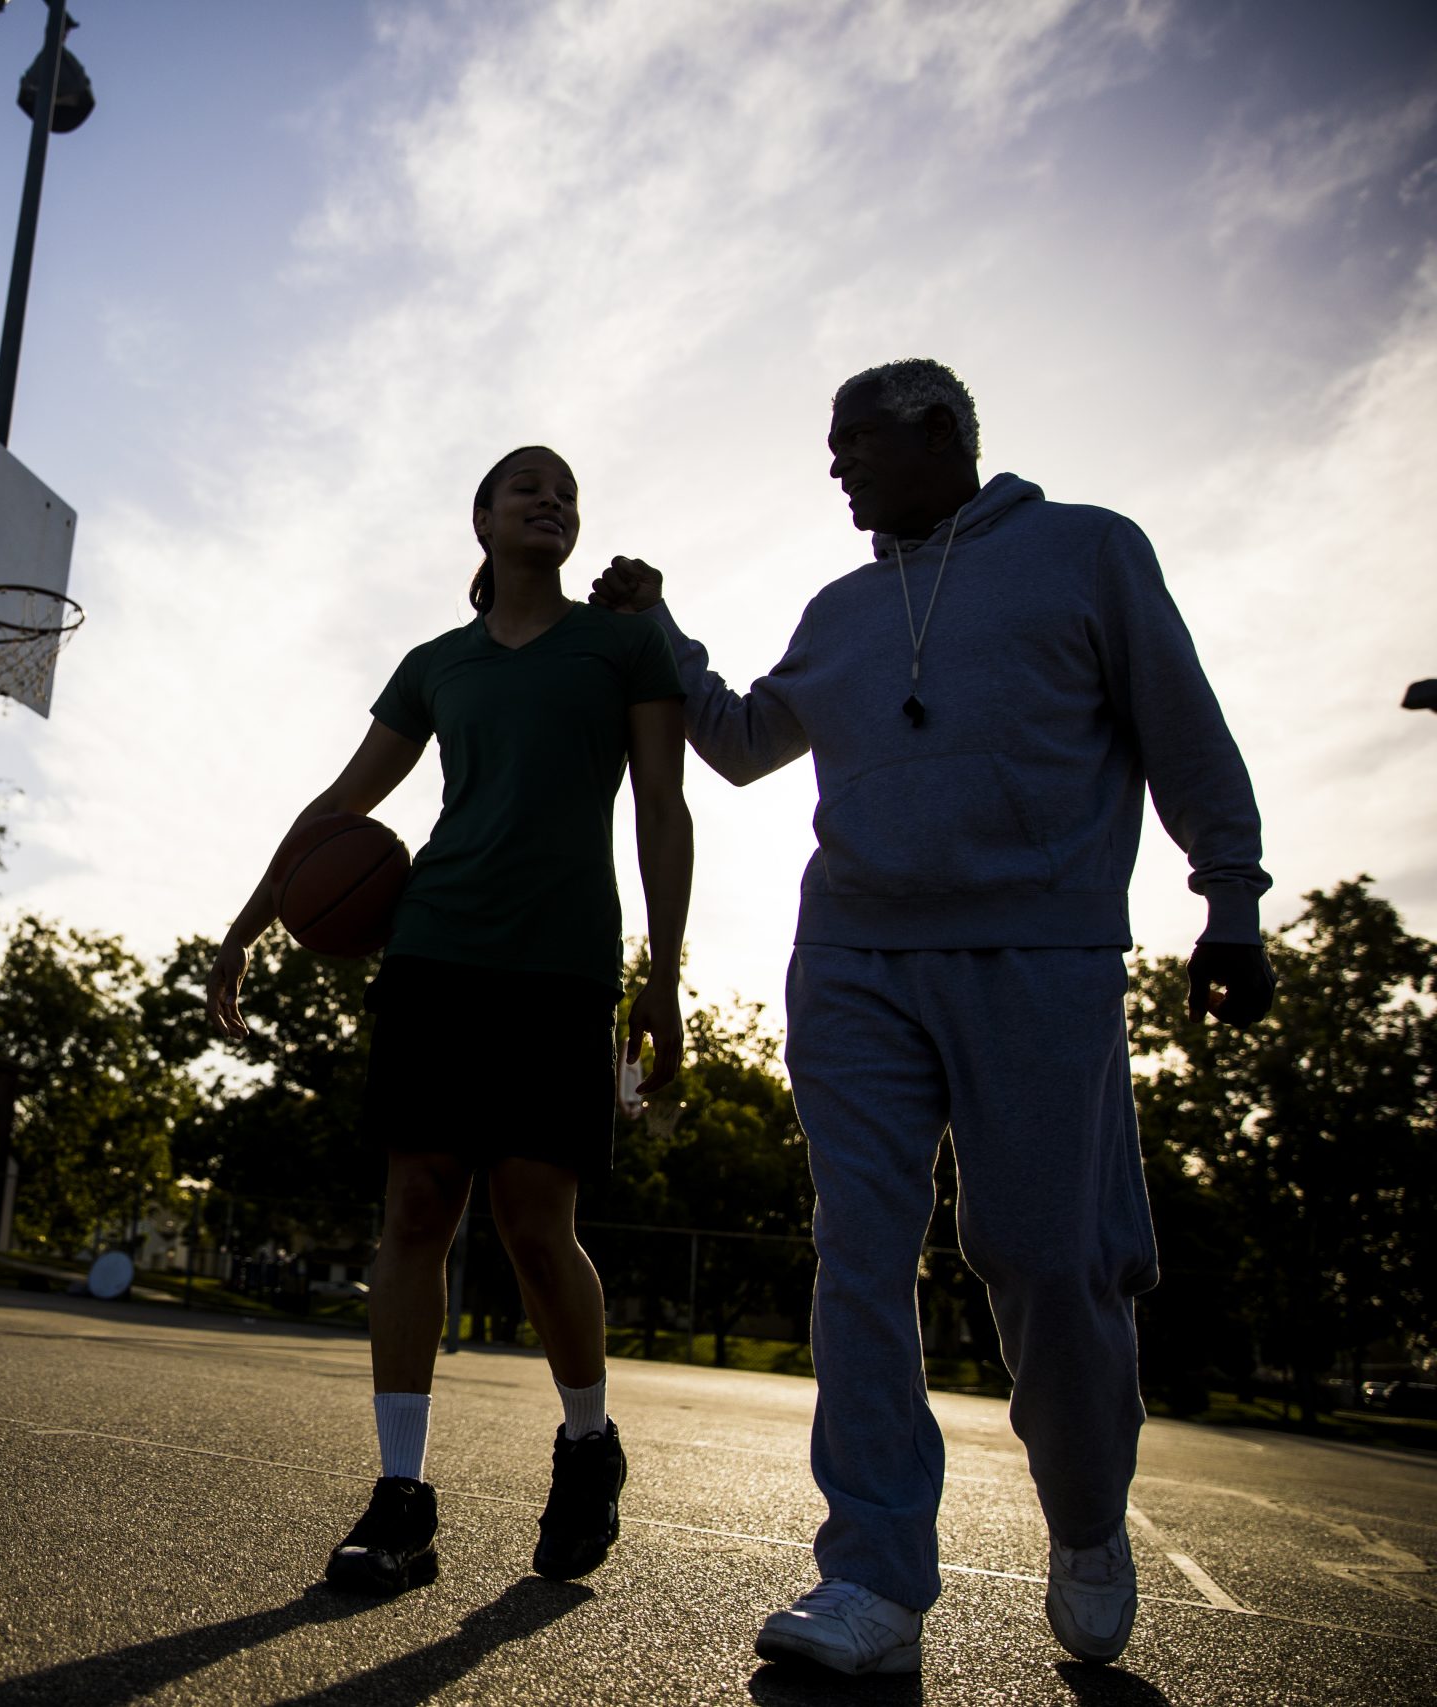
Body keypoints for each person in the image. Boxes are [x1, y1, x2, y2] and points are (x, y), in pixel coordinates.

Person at [590, 359, 1274, 1674]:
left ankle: (1084, 1519)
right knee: (859, 1249)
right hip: (852, 957)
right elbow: (738, 741)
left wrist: (1229, 896)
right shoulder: (841, 608)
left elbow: (1185, 730)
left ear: (941, 433)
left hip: (1038, 950)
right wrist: (667, 626)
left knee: (1043, 1256)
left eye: (854, 442)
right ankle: (875, 1578)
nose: (836, 466)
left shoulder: (1086, 552)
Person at [208, 445, 694, 1595]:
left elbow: (664, 811)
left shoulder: (624, 642)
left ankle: (586, 1445)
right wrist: (242, 926)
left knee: (535, 1221)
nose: (550, 499)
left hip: (561, 967)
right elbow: (339, 809)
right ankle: (401, 1497)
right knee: (418, 1204)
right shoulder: (437, 665)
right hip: (435, 952)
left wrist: (663, 977)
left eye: (567, 490)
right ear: (478, 519)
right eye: (525, 485)